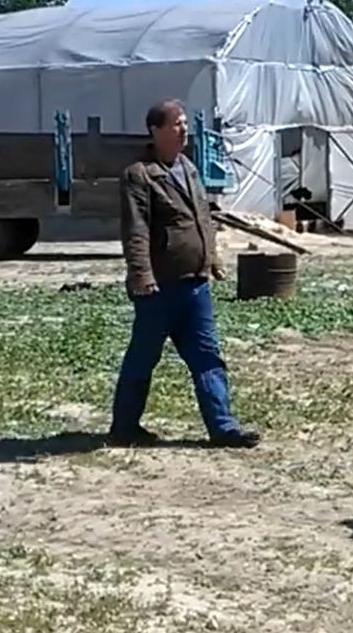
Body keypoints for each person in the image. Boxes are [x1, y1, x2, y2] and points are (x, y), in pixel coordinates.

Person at [108, 98, 261, 448]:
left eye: (183, 123)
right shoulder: (140, 174)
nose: (183, 130)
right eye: (176, 123)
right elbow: (136, 230)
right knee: (143, 359)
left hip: (195, 286)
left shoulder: (188, 168)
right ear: (155, 130)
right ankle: (124, 427)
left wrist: (211, 258)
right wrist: (141, 275)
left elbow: (201, 217)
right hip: (158, 289)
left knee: (207, 357)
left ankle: (223, 428)